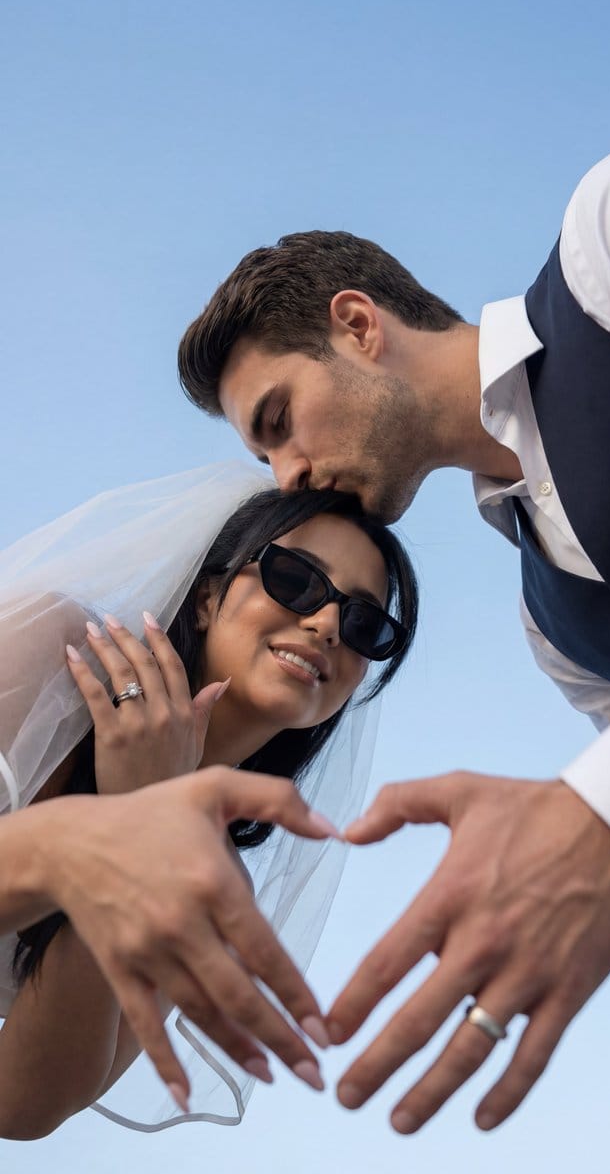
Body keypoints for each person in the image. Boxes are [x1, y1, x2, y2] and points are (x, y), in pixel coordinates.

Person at [177, 140, 610, 1135]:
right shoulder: (555, 631)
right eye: (266, 456)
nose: (287, 474)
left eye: (278, 419)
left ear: (358, 326)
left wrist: (607, 815)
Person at [0, 463, 417, 1137]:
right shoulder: (50, 656)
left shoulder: (218, 883)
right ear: (206, 597)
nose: (327, 624)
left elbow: (22, 1104)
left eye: (366, 622)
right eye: (296, 580)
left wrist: (143, 821)